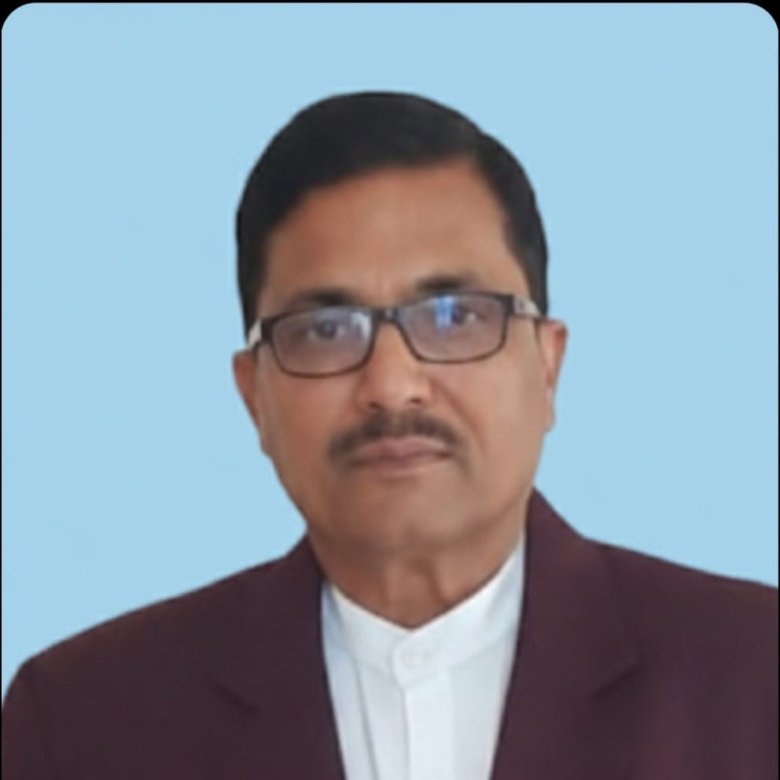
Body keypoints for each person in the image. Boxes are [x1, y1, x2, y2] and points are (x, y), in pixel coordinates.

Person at [2, 91, 776, 780]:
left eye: (454, 316)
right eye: (325, 329)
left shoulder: (753, 678)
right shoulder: (83, 721)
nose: (392, 385)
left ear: (547, 365)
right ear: (254, 395)